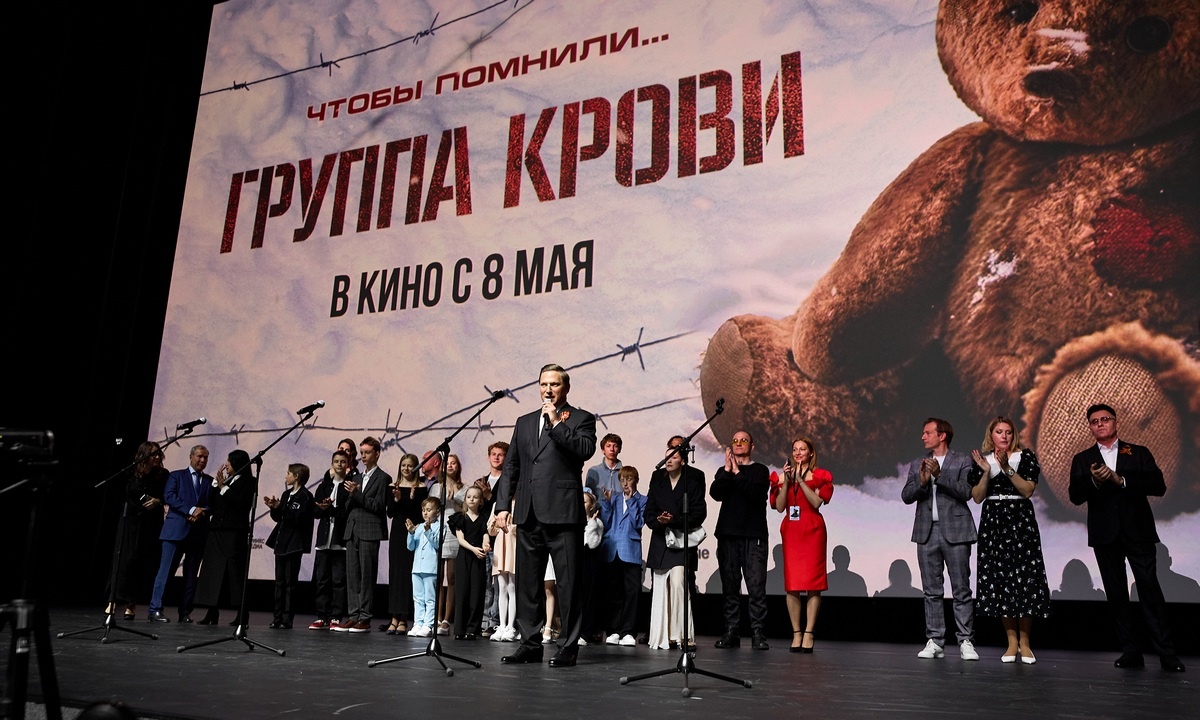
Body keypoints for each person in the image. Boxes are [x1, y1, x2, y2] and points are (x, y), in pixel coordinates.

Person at [493, 363, 597, 668]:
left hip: (563, 513)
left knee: (568, 584)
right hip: (528, 512)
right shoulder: (524, 422)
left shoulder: (580, 418)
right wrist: (502, 506)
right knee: (528, 583)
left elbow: (584, 450)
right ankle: (530, 644)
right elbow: (511, 466)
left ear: (565, 388)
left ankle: (568, 646)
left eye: (554, 384)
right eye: (543, 384)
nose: (547, 389)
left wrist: (555, 422)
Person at [1068, 403, 1185, 672]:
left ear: (1116, 423)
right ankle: (1131, 651)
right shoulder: (1083, 459)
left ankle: (1167, 654)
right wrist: (1096, 481)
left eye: (1105, 419)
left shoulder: (1138, 452)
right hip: (1105, 535)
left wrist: (1120, 480)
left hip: (1138, 531)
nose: (1100, 424)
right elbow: (1075, 495)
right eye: (1094, 421)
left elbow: (1158, 486)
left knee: (1149, 589)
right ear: (1090, 427)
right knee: (1117, 594)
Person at [967, 416, 1050, 663]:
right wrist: (986, 472)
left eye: (1008, 432)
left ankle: (1025, 643)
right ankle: (1011, 643)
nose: (1004, 436)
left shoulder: (1025, 457)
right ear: (991, 435)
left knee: (1025, 578)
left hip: (1020, 521)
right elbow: (977, 497)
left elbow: (1027, 490)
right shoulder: (983, 461)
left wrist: (1007, 468)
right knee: (1001, 579)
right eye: (999, 432)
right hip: (994, 523)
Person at [901, 418, 978, 660]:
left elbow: (967, 491)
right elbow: (906, 495)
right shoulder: (918, 463)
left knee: (961, 589)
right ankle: (935, 640)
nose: (923, 437)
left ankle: (965, 640)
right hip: (926, 531)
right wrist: (923, 482)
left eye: (927, 432)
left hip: (956, 530)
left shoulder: (962, 460)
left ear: (942, 435)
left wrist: (940, 475)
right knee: (931, 591)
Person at [770, 436, 833, 652]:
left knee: (813, 584)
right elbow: (779, 507)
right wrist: (788, 482)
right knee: (793, 584)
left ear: (811, 453)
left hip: (812, 531)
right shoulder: (781, 478)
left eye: (802, 449)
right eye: (795, 449)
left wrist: (801, 481)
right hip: (792, 532)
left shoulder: (820, 476)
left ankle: (809, 633)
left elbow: (817, 502)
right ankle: (796, 632)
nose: (798, 453)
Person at [644, 435, 707, 651]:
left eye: (674, 457)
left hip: (681, 541)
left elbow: (699, 513)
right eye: (667, 456)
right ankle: (664, 636)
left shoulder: (693, 479)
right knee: (661, 588)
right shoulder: (657, 477)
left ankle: (683, 635)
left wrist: (675, 520)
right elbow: (649, 511)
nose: (669, 460)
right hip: (661, 540)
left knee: (679, 584)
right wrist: (659, 521)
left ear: (683, 460)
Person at [710, 430, 772, 651]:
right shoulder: (723, 472)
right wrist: (728, 471)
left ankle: (758, 633)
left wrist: (737, 471)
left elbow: (755, 493)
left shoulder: (760, 470)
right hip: (728, 535)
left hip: (753, 536)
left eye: (743, 440)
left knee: (756, 588)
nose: (738, 443)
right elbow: (716, 493)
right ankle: (731, 632)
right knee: (730, 588)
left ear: (752, 446)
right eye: (735, 440)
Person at [147, 444, 211, 623]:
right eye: (199, 456)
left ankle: (185, 612)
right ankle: (155, 609)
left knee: (191, 576)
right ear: (191, 457)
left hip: (197, 534)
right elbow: (169, 496)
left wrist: (202, 511)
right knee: (165, 572)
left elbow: (211, 504)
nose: (202, 460)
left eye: (205, 457)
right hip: (174, 532)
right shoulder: (176, 476)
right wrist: (190, 510)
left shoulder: (209, 480)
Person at [105, 441, 167, 621]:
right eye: (153, 454)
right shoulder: (131, 473)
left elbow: (167, 495)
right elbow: (125, 493)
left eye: (158, 454)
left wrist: (158, 501)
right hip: (130, 521)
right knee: (124, 560)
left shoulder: (163, 475)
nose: (157, 457)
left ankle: (131, 603)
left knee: (141, 562)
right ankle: (113, 600)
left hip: (150, 523)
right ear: (144, 455)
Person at [194, 449, 256, 626]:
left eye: (229, 461)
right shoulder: (225, 481)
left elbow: (241, 504)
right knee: (213, 572)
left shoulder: (249, 481)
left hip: (234, 532)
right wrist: (216, 486)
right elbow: (213, 504)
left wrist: (223, 488)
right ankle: (212, 612)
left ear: (237, 463)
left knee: (234, 573)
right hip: (216, 531)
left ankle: (242, 614)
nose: (226, 464)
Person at [336, 437, 390, 633]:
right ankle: (353, 615)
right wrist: (351, 494)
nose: (363, 456)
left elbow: (378, 506)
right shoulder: (356, 478)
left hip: (370, 530)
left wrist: (357, 494)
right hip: (353, 530)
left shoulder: (383, 478)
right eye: (362, 452)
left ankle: (365, 617)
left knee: (367, 576)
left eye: (367, 452)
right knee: (352, 575)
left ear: (377, 454)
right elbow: (347, 506)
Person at [264, 463, 315, 629]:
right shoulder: (286, 494)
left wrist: (282, 508)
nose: (286, 476)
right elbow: (279, 517)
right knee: (279, 582)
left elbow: (298, 519)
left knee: (290, 583)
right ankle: (277, 617)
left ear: (296, 476)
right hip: (281, 542)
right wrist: (274, 508)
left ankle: (287, 618)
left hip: (294, 544)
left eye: (288, 473)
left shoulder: (306, 497)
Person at [599, 466, 645, 647]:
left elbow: (638, 523)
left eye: (629, 479)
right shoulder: (614, 498)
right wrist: (606, 503)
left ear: (636, 480)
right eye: (622, 480)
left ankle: (628, 632)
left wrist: (631, 500)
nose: (625, 483)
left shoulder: (643, 500)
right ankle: (613, 630)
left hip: (631, 551)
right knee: (613, 593)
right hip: (612, 550)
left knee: (632, 593)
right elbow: (606, 523)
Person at [309, 449, 352, 630]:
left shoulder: (349, 487)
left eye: (343, 462)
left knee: (338, 581)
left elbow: (346, 512)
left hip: (340, 541)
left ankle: (335, 616)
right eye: (336, 461)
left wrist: (330, 509)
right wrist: (323, 507)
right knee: (322, 580)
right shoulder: (324, 486)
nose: (339, 465)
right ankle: (322, 616)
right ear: (332, 464)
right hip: (323, 540)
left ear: (348, 465)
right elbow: (315, 512)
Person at [385, 453, 427, 635]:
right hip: (397, 533)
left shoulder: (421, 488)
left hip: (413, 533)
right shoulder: (392, 486)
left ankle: (404, 618)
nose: (406, 469)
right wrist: (396, 499)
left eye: (410, 465)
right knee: (395, 574)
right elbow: (391, 513)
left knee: (408, 575)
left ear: (416, 467)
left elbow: (421, 515)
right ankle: (394, 617)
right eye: (403, 465)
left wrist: (411, 498)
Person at [429, 453, 464, 635]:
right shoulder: (436, 487)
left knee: (451, 577)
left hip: (453, 531)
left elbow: (466, 510)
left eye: (453, 463)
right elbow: (430, 509)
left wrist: (455, 499)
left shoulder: (463, 488)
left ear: (458, 467)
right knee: (437, 577)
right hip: (438, 530)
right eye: (447, 463)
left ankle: (446, 620)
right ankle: (436, 616)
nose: (450, 466)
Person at [475, 441, 508, 636]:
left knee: (498, 582)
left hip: (502, 539)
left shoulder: (509, 482)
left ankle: (495, 620)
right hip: (484, 539)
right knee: (486, 582)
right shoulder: (480, 481)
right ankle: (485, 618)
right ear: (488, 457)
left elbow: (503, 508)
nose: (496, 457)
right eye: (493, 454)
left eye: (500, 454)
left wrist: (490, 498)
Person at [450, 485, 489, 640]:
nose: (471, 499)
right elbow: (460, 540)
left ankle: (472, 629)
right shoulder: (460, 518)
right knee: (462, 592)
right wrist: (474, 549)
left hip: (478, 558)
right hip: (465, 557)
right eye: (469, 497)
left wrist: (486, 545)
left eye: (475, 497)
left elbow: (485, 535)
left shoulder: (484, 519)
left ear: (481, 501)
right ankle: (460, 629)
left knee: (476, 593)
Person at [406, 496, 442, 637]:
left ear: (437, 512)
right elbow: (410, 547)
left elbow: (437, 544)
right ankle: (418, 623)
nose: (425, 513)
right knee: (418, 598)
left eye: (429, 510)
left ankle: (428, 624)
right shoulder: (419, 527)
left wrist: (428, 531)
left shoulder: (440, 527)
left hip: (430, 568)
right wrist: (411, 533)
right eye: (423, 510)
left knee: (430, 599)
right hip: (417, 568)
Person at [486, 494, 518, 643]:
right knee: (502, 587)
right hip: (500, 546)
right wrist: (494, 523)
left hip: (513, 545)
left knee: (512, 587)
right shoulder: (497, 505)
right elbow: (491, 531)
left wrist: (511, 524)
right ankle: (502, 625)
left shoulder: (520, 503)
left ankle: (511, 626)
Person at [579, 487, 605, 645]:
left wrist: (592, 524)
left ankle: (586, 632)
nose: (581, 504)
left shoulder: (597, 523)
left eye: (584, 501)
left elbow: (592, 544)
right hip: (576, 563)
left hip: (589, 564)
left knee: (588, 599)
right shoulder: (574, 521)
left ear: (591, 505)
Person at [585, 433, 623, 499]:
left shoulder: (625, 473)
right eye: (608, 446)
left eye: (615, 446)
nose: (612, 449)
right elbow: (588, 497)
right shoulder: (593, 471)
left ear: (619, 449)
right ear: (603, 450)